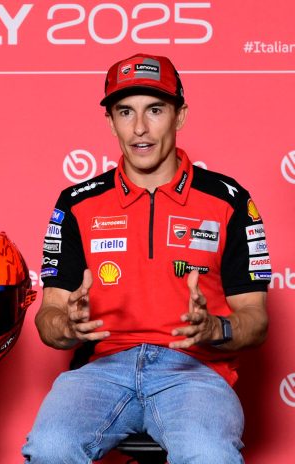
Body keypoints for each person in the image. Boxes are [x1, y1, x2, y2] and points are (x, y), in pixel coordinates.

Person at [22, 53, 271, 463]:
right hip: (101, 370)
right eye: (125, 112)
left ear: (180, 116)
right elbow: (49, 316)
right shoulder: (76, 203)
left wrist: (215, 328)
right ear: (111, 122)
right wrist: (67, 325)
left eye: (155, 110)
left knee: (210, 455)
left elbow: (256, 320)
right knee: (51, 447)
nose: (139, 128)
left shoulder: (229, 200)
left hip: (194, 374)